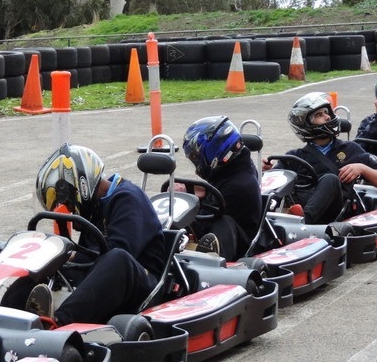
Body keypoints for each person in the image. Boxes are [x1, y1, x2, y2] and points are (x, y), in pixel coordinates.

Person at [30, 143, 166, 328]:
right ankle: (9, 312)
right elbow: (90, 257)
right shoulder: (94, 207)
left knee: (117, 258)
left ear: (81, 187)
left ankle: (56, 323)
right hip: (104, 275)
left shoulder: (128, 198)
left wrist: (71, 255)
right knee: (36, 255)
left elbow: (115, 252)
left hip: (141, 281)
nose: (68, 209)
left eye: (67, 202)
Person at [262, 92, 377, 224]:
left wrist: (362, 168)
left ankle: (304, 223)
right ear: (306, 124)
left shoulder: (350, 149)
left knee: (330, 179)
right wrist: (267, 171)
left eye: (326, 112)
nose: (327, 117)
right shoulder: (294, 157)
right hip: (301, 203)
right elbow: (272, 187)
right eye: (319, 115)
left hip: (335, 211)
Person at [176, 116, 263, 262]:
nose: (196, 163)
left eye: (196, 157)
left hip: (239, 246)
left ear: (214, 153)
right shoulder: (239, 168)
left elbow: (202, 224)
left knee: (223, 222)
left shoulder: (237, 186)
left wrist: (183, 203)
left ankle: (210, 257)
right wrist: (196, 192)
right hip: (235, 225)